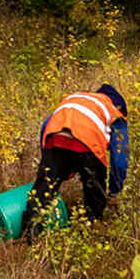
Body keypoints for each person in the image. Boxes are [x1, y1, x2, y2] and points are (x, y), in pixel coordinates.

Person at [21, 85, 129, 244]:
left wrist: (49, 162)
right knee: (94, 191)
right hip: (88, 143)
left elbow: (46, 126)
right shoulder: (115, 113)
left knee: (43, 189)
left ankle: (29, 236)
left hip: (54, 137)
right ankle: (91, 235)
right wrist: (114, 191)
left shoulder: (78, 98)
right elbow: (120, 159)